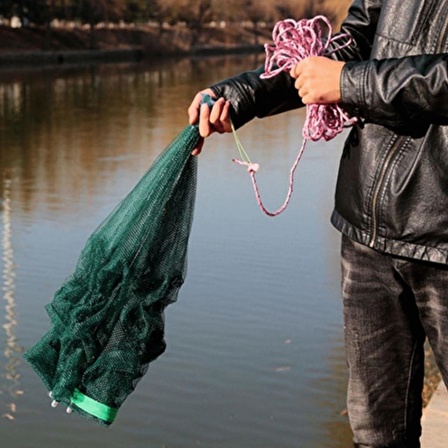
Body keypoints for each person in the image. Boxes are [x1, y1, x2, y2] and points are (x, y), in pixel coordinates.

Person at [187, 1, 448, 447]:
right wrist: (246, 94)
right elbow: (354, 40)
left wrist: (349, 82)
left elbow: (349, 73)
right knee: (375, 434)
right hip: (366, 229)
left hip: (443, 239)